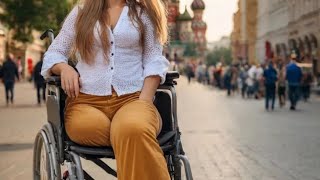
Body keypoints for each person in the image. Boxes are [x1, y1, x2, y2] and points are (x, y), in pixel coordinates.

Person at [41, 0, 170, 179]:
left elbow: (154, 59)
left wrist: (144, 101)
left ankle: (130, 132)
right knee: (102, 129)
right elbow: (54, 52)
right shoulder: (81, 12)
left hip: (132, 99)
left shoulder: (144, 13)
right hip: (85, 101)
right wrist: (64, 68)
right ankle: (129, 135)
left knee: (132, 128)